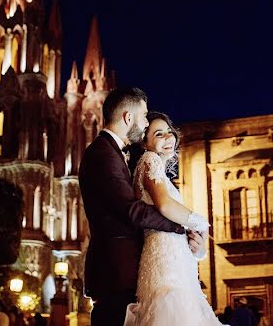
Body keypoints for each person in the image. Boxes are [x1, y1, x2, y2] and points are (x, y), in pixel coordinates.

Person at [79, 87, 203, 326]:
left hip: (130, 273)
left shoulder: (114, 153)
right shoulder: (102, 153)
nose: (145, 122)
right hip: (115, 272)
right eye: (144, 116)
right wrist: (181, 226)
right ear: (128, 117)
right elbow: (131, 210)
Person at [123, 111, 221, 325]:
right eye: (159, 134)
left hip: (175, 260)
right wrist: (200, 221)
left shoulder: (158, 172)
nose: (168, 137)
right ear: (144, 143)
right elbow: (166, 206)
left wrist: (197, 247)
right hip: (165, 262)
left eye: (169, 132)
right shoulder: (150, 160)